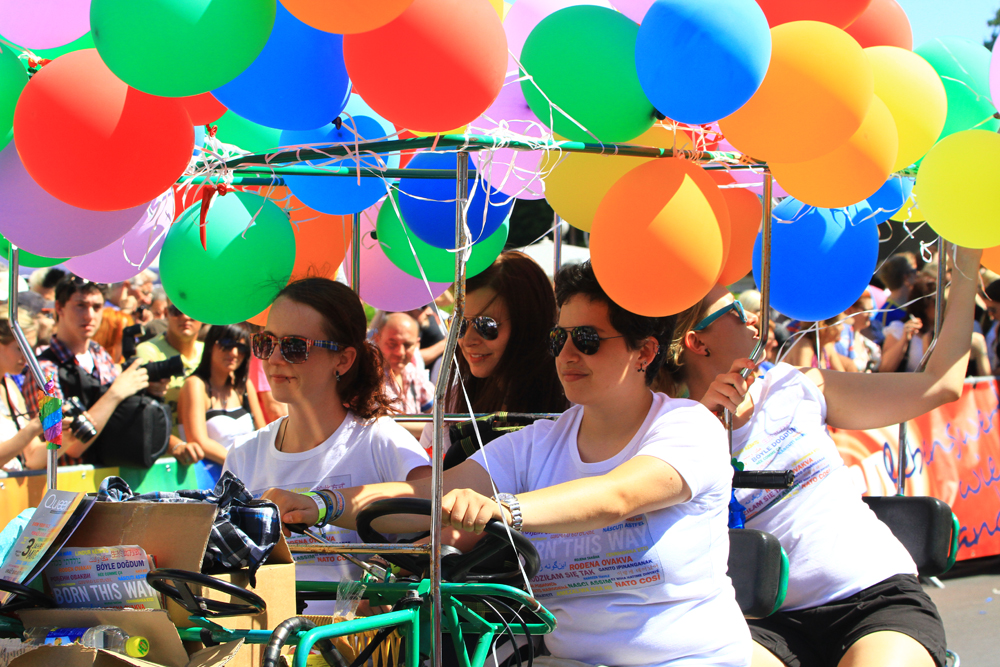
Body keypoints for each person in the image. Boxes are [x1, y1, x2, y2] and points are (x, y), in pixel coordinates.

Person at [267, 262, 751, 666]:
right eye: (558, 338)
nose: (566, 353)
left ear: (644, 351)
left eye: (587, 338)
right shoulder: (537, 443)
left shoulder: (690, 427)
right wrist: (319, 504)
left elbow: (616, 496)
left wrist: (503, 510)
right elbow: (423, 494)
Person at [656, 246, 982, 667]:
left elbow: (941, 385)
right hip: (764, 623)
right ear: (698, 342)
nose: (754, 315)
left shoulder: (797, 384)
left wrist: (967, 263)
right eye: (737, 310)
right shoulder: (672, 430)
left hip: (875, 600)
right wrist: (702, 429)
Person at [222, 278, 430, 614]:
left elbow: (441, 512)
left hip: (361, 646)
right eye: (265, 342)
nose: (274, 357)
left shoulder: (379, 438)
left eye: (294, 346)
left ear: (343, 360)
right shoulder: (244, 454)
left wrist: (392, 572)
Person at [418, 251, 568, 457]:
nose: (467, 340)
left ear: (529, 325)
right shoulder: (451, 402)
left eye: (485, 325)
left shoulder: (571, 406)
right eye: (459, 324)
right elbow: (428, 472)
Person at [22, 276, 149, 466]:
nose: (90, 315)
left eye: (97, 307)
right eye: (80, 305)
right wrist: (115, 393)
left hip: (109, 477)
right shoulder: (43, 371)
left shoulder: (100, 354)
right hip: (67, 484)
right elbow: (66, 444)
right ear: (59, 308)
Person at [177, 324, 265, 475]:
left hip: (250, 475)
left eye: (242, 348)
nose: (235, 353)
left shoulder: (243, 386)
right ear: (211, 345)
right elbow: (199, 441)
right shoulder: (195, 385)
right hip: (211, 480)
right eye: (227, 345)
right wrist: (242, 465)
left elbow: (263, 434)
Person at [136, 301, 205, 463]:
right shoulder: (147, 351)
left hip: (207, 456)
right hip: (164, 460)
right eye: (177, 311)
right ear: (166, 313)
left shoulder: (208, 351)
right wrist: (172, 443)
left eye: (192, 309)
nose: (185, 316)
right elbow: (141, 411)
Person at [0, 312, 58, 471]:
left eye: (30, 349)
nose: (27, 357)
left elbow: (32, 457)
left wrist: (64, 435)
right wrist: (34, 426)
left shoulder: (10, 387)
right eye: (20, 348)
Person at [373, 311, 434, 420]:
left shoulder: (412, 372)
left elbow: (438, 410)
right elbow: (382, 427)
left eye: (407, 345)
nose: (400, 352)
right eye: (392, 344)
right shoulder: (367, 377)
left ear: (417, 344)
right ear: (377, 339)